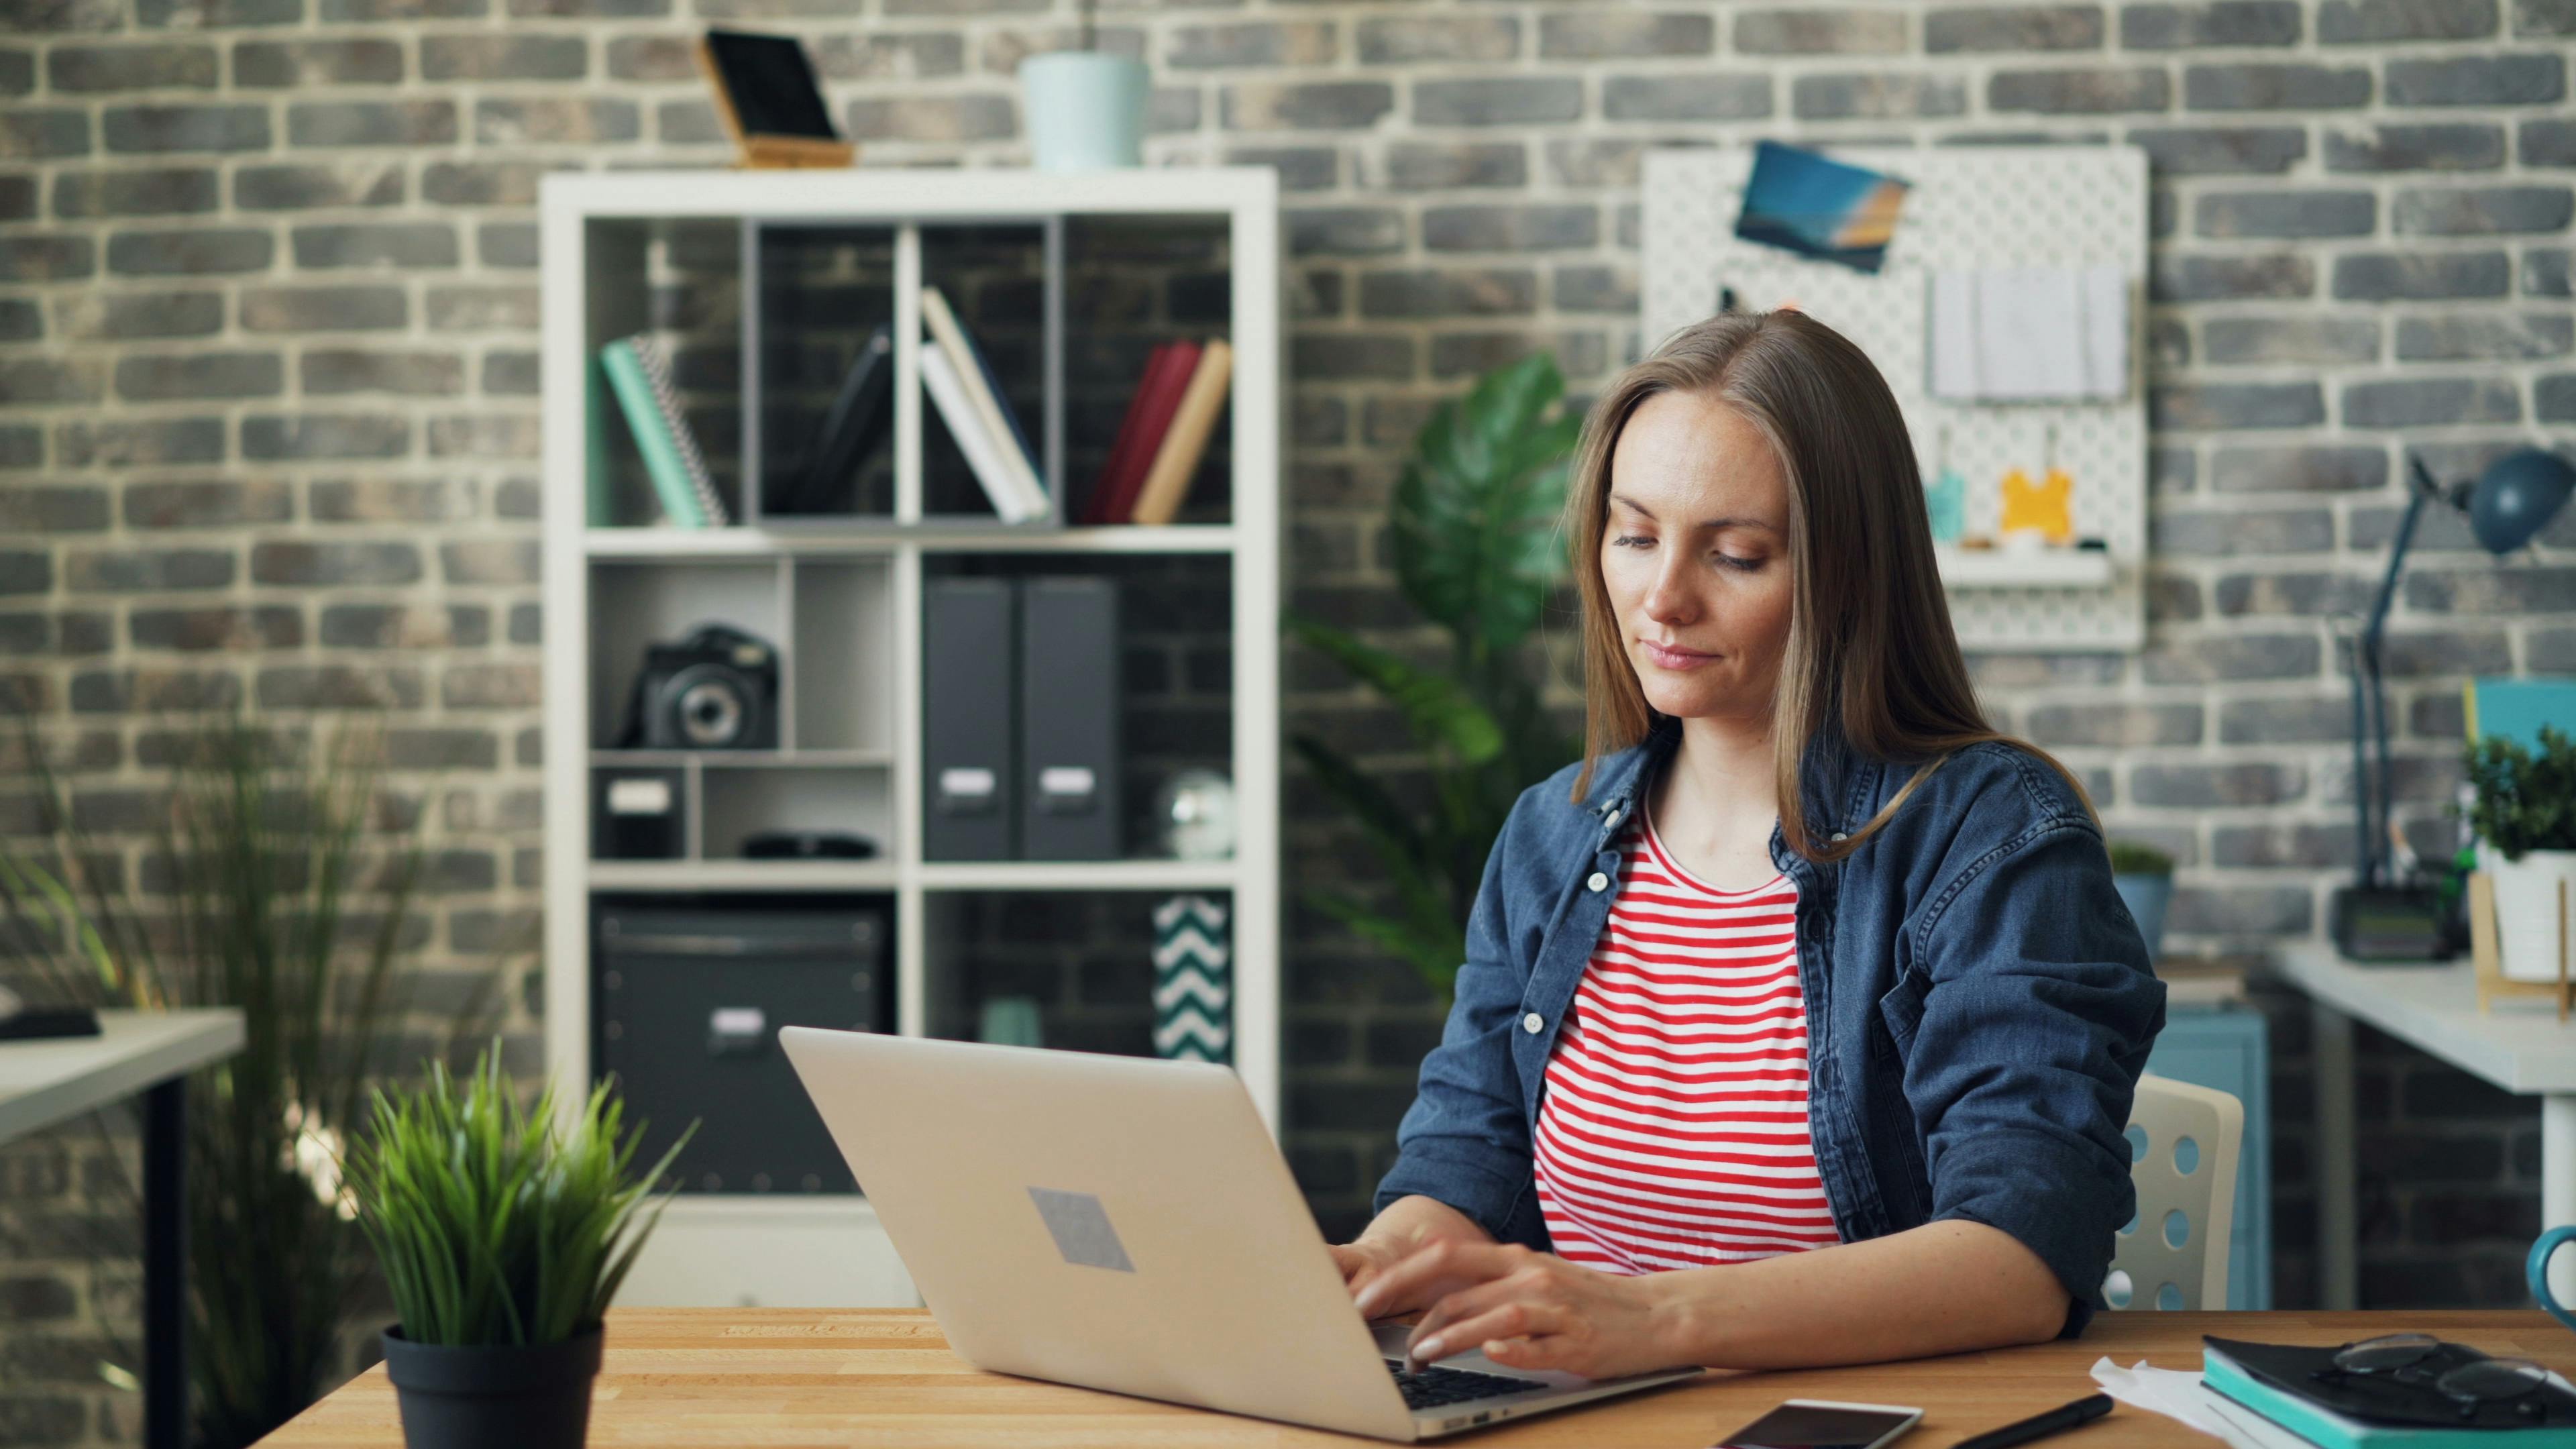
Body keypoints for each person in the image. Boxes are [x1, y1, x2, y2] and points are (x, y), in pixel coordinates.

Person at [1330, 310, 2166, 1382]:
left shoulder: (1991, 834)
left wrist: (1658, 1324)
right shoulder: (1553, 832)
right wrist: (1369, 1268)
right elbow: (1466, 1156)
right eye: (1634, 537)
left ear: (1847, 574)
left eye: (1735, 555)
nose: (1662, 599)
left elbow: (2020, 1257)